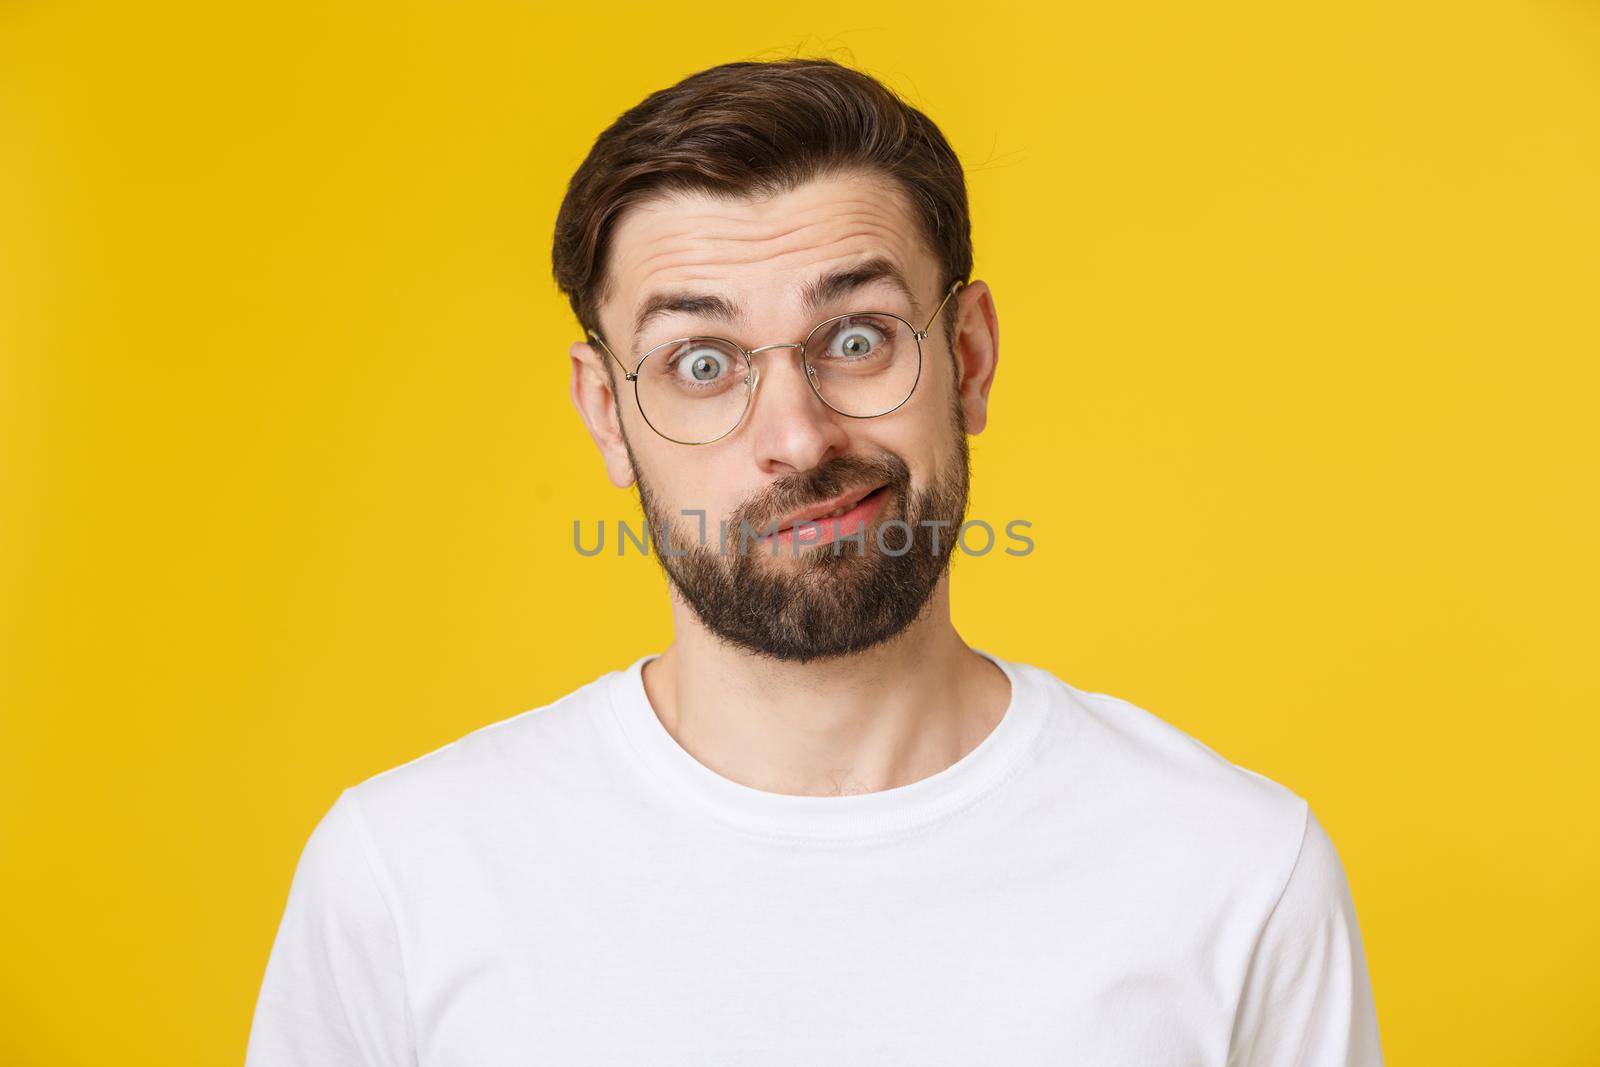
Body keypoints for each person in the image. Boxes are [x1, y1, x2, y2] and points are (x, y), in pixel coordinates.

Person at [245, 58, 1384, 1065]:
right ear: (606, 414)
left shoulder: (1235, 870)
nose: (795, 435)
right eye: (700, 361)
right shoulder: (403, 875)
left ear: (969, 355)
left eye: (856, 339)